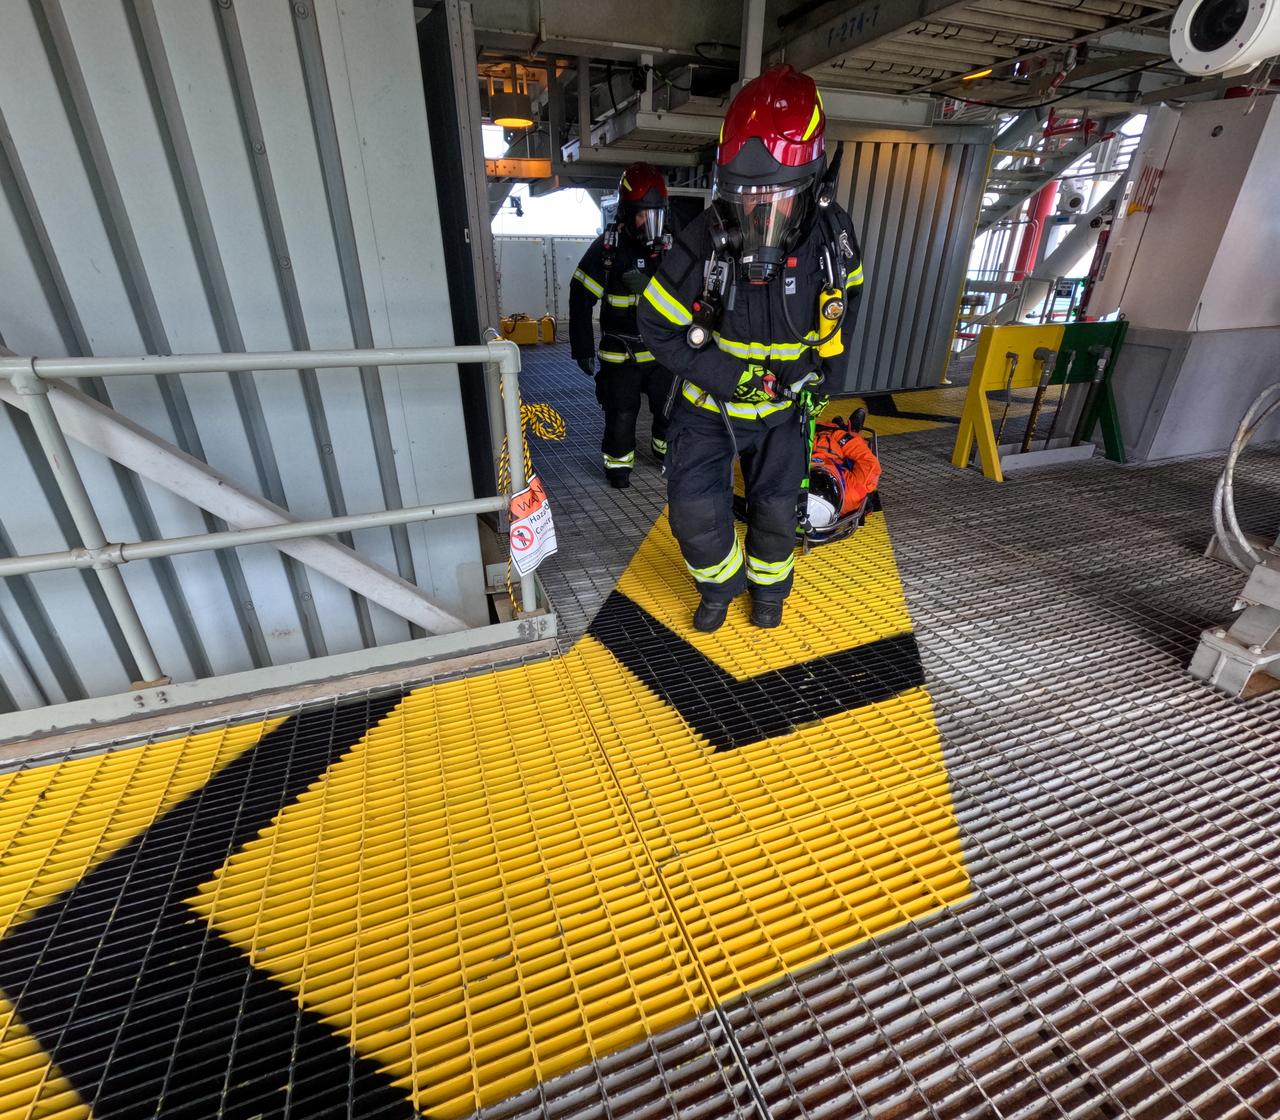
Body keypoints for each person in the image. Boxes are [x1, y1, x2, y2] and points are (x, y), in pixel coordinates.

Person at [638, 64, 865, 632]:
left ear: (812, 187)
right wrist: (727, 375)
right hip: (708, 407)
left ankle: (770, 593)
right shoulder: (701, 243)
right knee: (693, 511)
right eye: (745, 200)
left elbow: (844, 312)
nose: (760, 215)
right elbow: (656, 324)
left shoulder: (833, 242)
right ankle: (720, 587)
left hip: (786, 409)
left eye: (777, 200)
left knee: (776, 510)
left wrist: (821, 382)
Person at [569, 163, 675, 489]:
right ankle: (618, 468)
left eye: (656, 215)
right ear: (628, 213)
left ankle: (665, 454)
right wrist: (583, 349)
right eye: (643, 215)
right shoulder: (608, 250)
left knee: (669, 410)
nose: (650, 224)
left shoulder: (670, 250)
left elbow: (687, 298)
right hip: (621, 354)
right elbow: (580, 296)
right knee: (622, 414)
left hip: (661, 354)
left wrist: (651, 288)